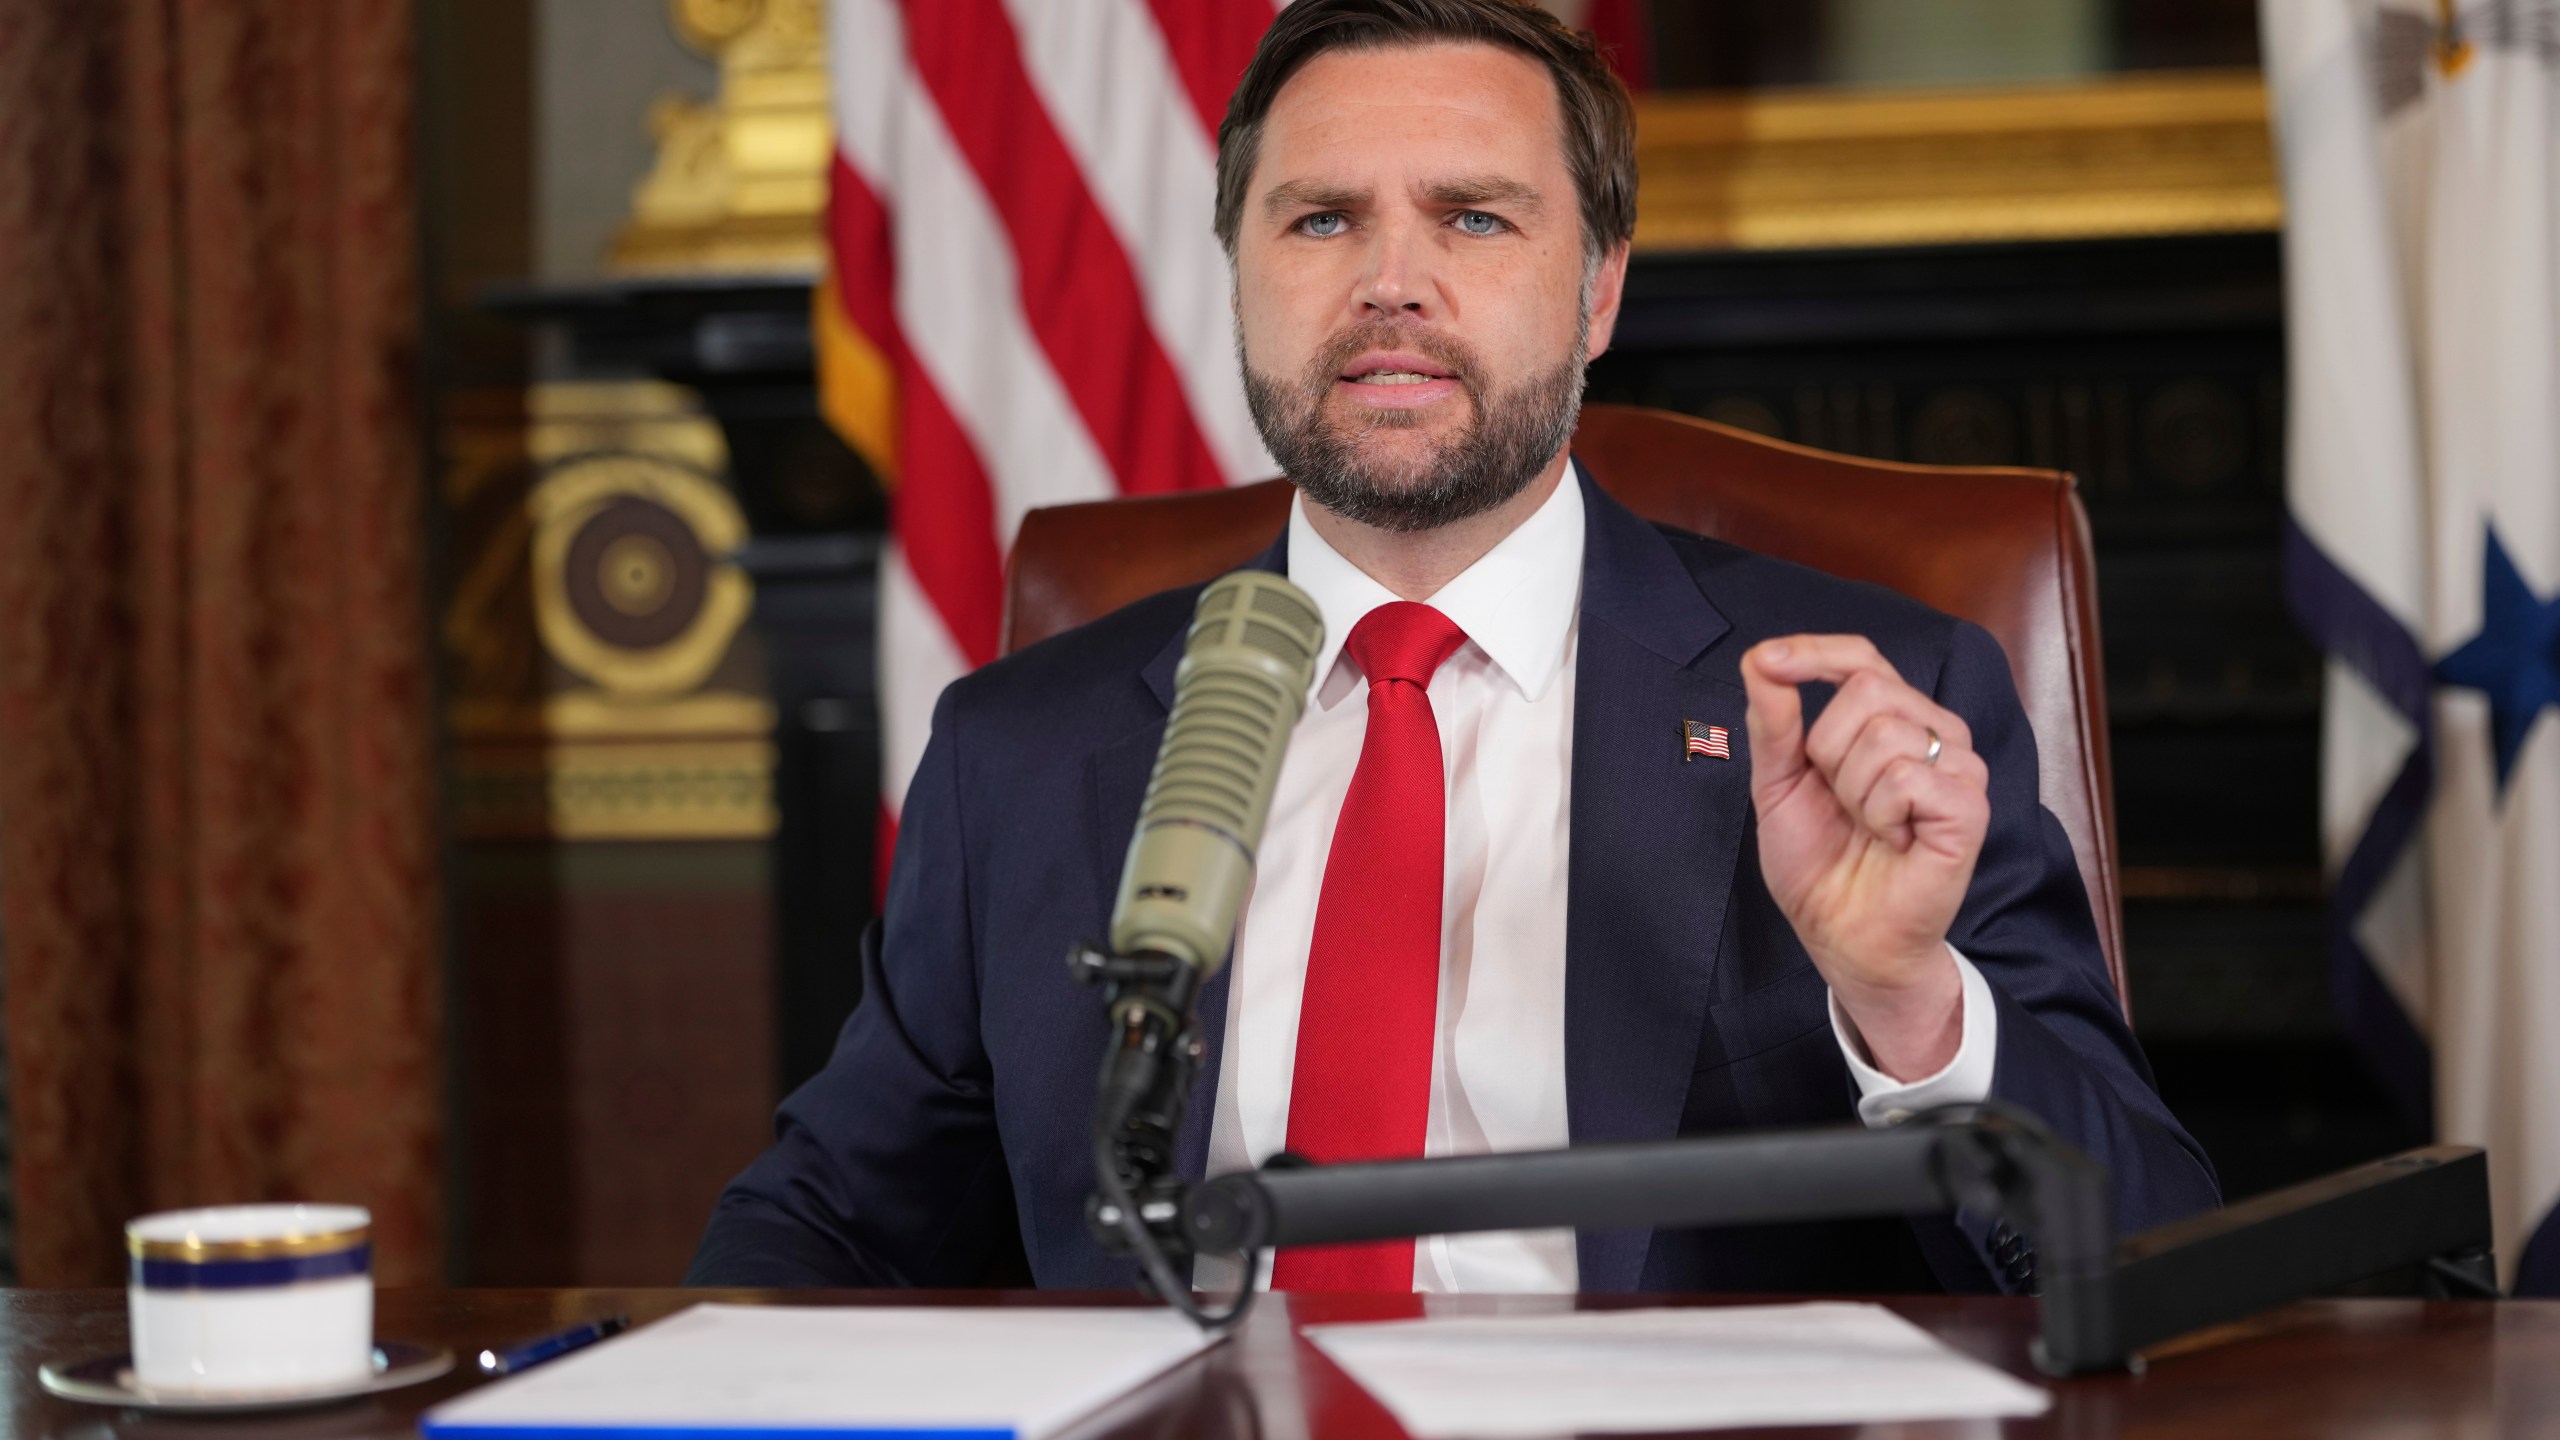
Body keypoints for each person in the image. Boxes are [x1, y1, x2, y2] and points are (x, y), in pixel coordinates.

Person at [689, 0, 2217, 1295]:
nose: (1391, 283)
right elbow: (820, 1230)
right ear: (1242, 273)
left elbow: (2149, 1256)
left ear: (1600, 287)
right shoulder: (1026, 750)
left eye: (1474, 217)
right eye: (1322, 218)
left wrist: (1908, 1005)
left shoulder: (1865, 702)